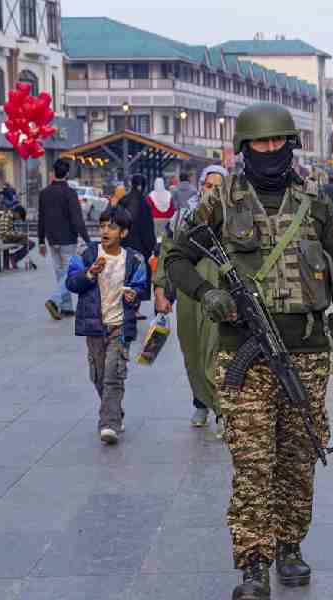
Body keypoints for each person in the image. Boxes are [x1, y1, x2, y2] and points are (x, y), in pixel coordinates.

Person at [165, 102, 333, 599]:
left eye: (278, 142)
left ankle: (289, 546)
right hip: (243, 351)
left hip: (306, 349)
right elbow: (176, 258)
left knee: (299, 455)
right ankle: (253, 562)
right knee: (254, 460)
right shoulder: (219, 203)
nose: (270, 150)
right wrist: (209, 295)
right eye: (260, 143)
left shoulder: (316, 203)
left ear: (290, 145)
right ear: (244, 148)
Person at [154, 165, 227, 432]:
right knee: (192, 350)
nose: (213, 192)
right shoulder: (182, 218)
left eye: (219, 187)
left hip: (221, 293)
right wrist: (161, 289)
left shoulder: (234, 219)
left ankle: (221, 409)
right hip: (188, 294)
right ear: (200, 187)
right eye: (208, 186)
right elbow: (167, 254)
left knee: (215, 350)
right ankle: (201, 402)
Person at [66, 206, 147, 445]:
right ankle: (114, 411)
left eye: (111, 227)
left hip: (120, 326)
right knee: (98, 375)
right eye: (102, 226)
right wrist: (89, 274)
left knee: (114, 373)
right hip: (94, 326)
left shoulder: (134, 259)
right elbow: (72, 282)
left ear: (123, 232)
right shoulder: (86, 254)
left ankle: (108, 424)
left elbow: (140, 286)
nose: (105, 231)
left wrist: (134, 294)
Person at [39, 159, 91, 320]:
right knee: (69, 273)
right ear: (67, 174)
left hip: (51, 238)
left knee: (60, 273)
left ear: (53, 173)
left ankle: (67, 307)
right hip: (68, 238)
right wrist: (87, 239)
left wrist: (41, 240)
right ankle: (55, 301)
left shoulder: (44, 193)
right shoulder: (70, 193)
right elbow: (77, 219)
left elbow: (41, 218)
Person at [119, 174, 155, 313]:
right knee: (139, 276)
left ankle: (124, 303)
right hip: (140, 245)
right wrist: (151, 246)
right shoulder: (145, 203)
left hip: (124, 243)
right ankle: (135, 307)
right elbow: (148, 228)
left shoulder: (124, 200)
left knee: (124, 274)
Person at [0, 204, 36, 270]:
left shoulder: (10, 216)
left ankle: (14, 257)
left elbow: (10, 231)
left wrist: (20, 234)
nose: (19, 219)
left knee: (30, 242)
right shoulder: (6, 217)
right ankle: (14, 257)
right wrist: (20, 235)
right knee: (30, 243)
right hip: (5, 239)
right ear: (17, 213)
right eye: (19, 217)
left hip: (9, 237)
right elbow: (5, 233)